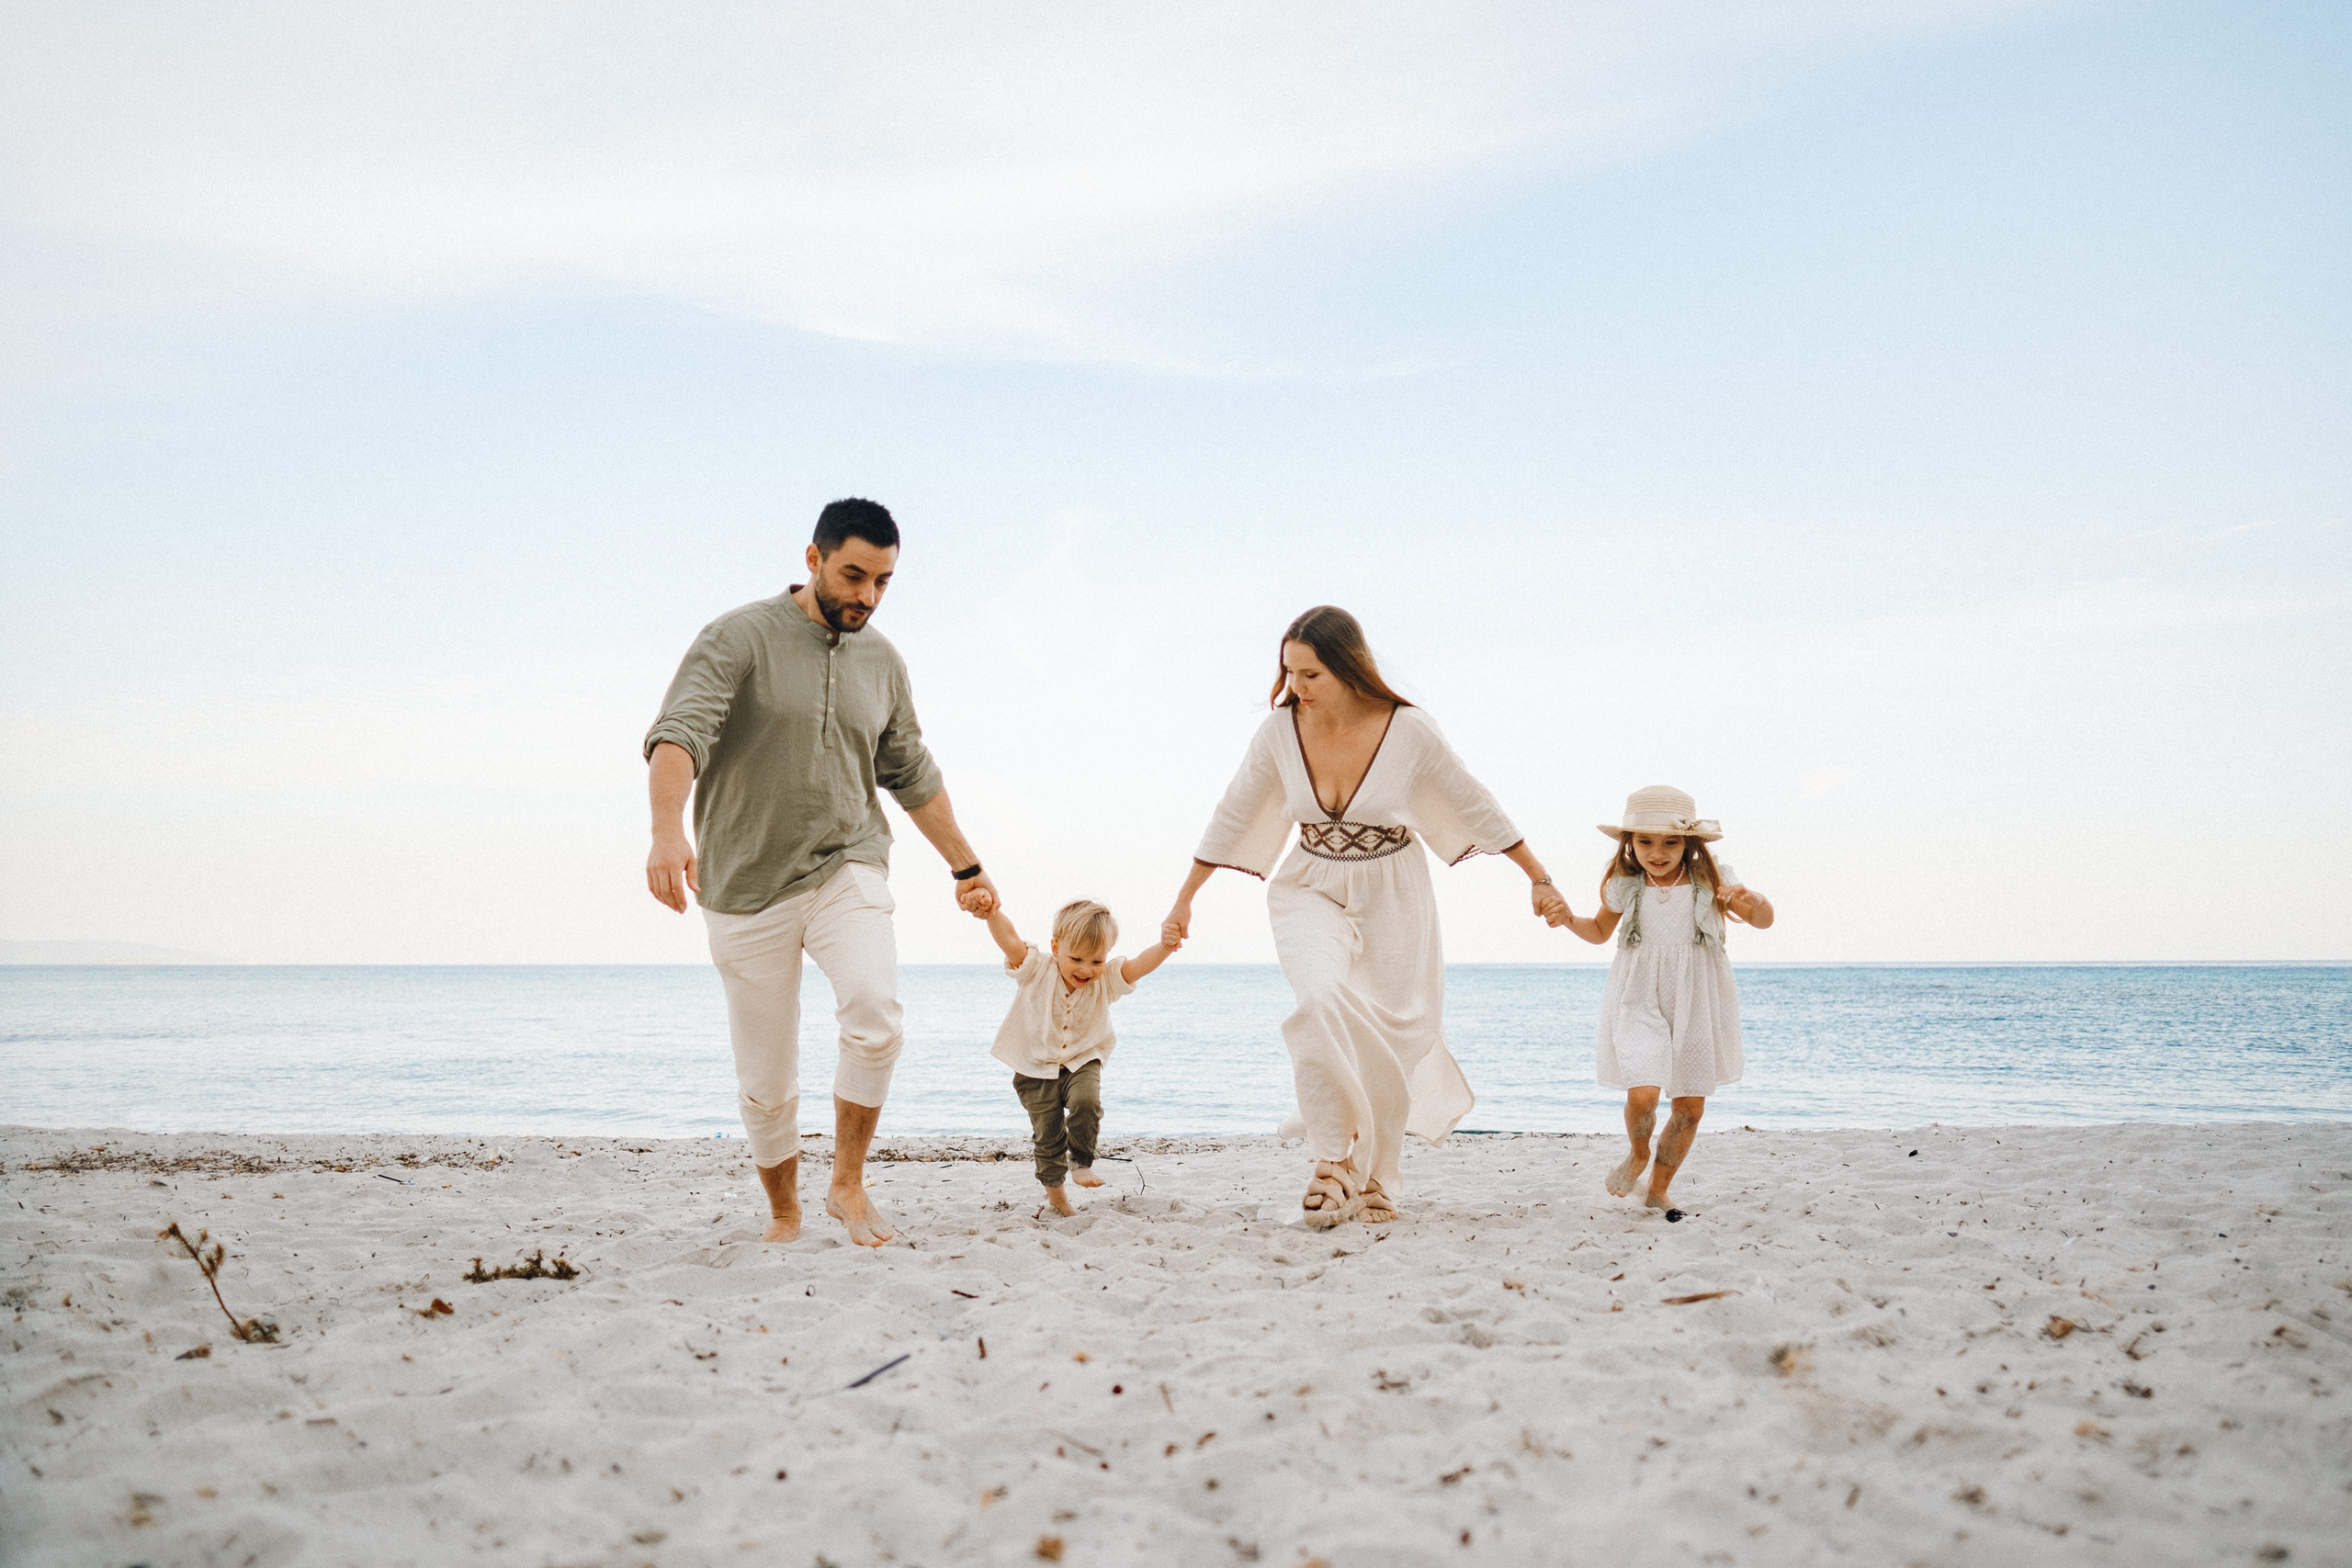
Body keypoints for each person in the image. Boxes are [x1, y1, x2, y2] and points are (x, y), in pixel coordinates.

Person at [642, 498, 999, 1247]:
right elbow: (680, 734)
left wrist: (967, 865)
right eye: (853, 575)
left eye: (882, 582)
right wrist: (667, 830)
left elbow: (911, 772)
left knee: (874, 1014)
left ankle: (847, 1183)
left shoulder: (883, 662)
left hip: (847, 863)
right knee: (767, 1084)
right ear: (813, 560)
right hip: (743, 886)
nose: (866, 596)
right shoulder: (738, 638)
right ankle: (784, 1210)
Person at [1161, 606, 1569, 1229]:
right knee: (1319, 1001)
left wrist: (1538, 877)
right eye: (1289, 671)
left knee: (1395, 1031)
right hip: (1308, 883)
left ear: (1350, 669)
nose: (1296, 686)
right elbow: (1234, 809)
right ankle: (1332, 1158)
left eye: (1311, 673)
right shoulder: (1279, 732)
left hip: (1394, 888)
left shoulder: (1409, 731)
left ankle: (1378, 1174)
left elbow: (1472, 800)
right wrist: (1185, 896)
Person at [1559, 785, 1775, 1214]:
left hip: (1697, 998)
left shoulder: (1712, 880)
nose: (1657, 852)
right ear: (1630, 843)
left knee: (1689, 1107)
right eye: (1645, 841)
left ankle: (1657, 1189)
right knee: (1642, 1093)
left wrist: (1756, 901)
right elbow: (1600, 932)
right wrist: (1567, 919)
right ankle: (1638, 1154)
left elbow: (1762, 921)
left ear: (1688, 842)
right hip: (1639, 996)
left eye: (1670, 841)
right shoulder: (1625, 884)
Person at [982, 898, 1181, 1215]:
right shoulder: (1036, 969)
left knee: (1087, 1101)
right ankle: (1058, 1199)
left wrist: (1165, 946)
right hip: (1035, 1067)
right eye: (1076, 959)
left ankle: (1082, 1162)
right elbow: (1009, 939)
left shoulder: (1107, 980)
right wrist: (992, 913)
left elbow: (1140, 964)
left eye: (1097, 961)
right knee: (1048, 1136)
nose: (1087, 970)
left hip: (1082, 1060)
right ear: (1056, 947)